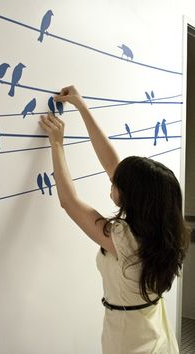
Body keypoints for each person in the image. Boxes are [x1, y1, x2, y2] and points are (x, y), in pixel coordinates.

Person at [39, 85, 190, 354]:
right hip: (156, 333)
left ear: (132, 197)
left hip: (129, 340)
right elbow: (112, 162)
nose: (112, 180)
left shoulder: (124, 239)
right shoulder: (165, 229)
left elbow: (69, 202)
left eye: (117, 183)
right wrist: (82, 106)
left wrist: (57, 144)